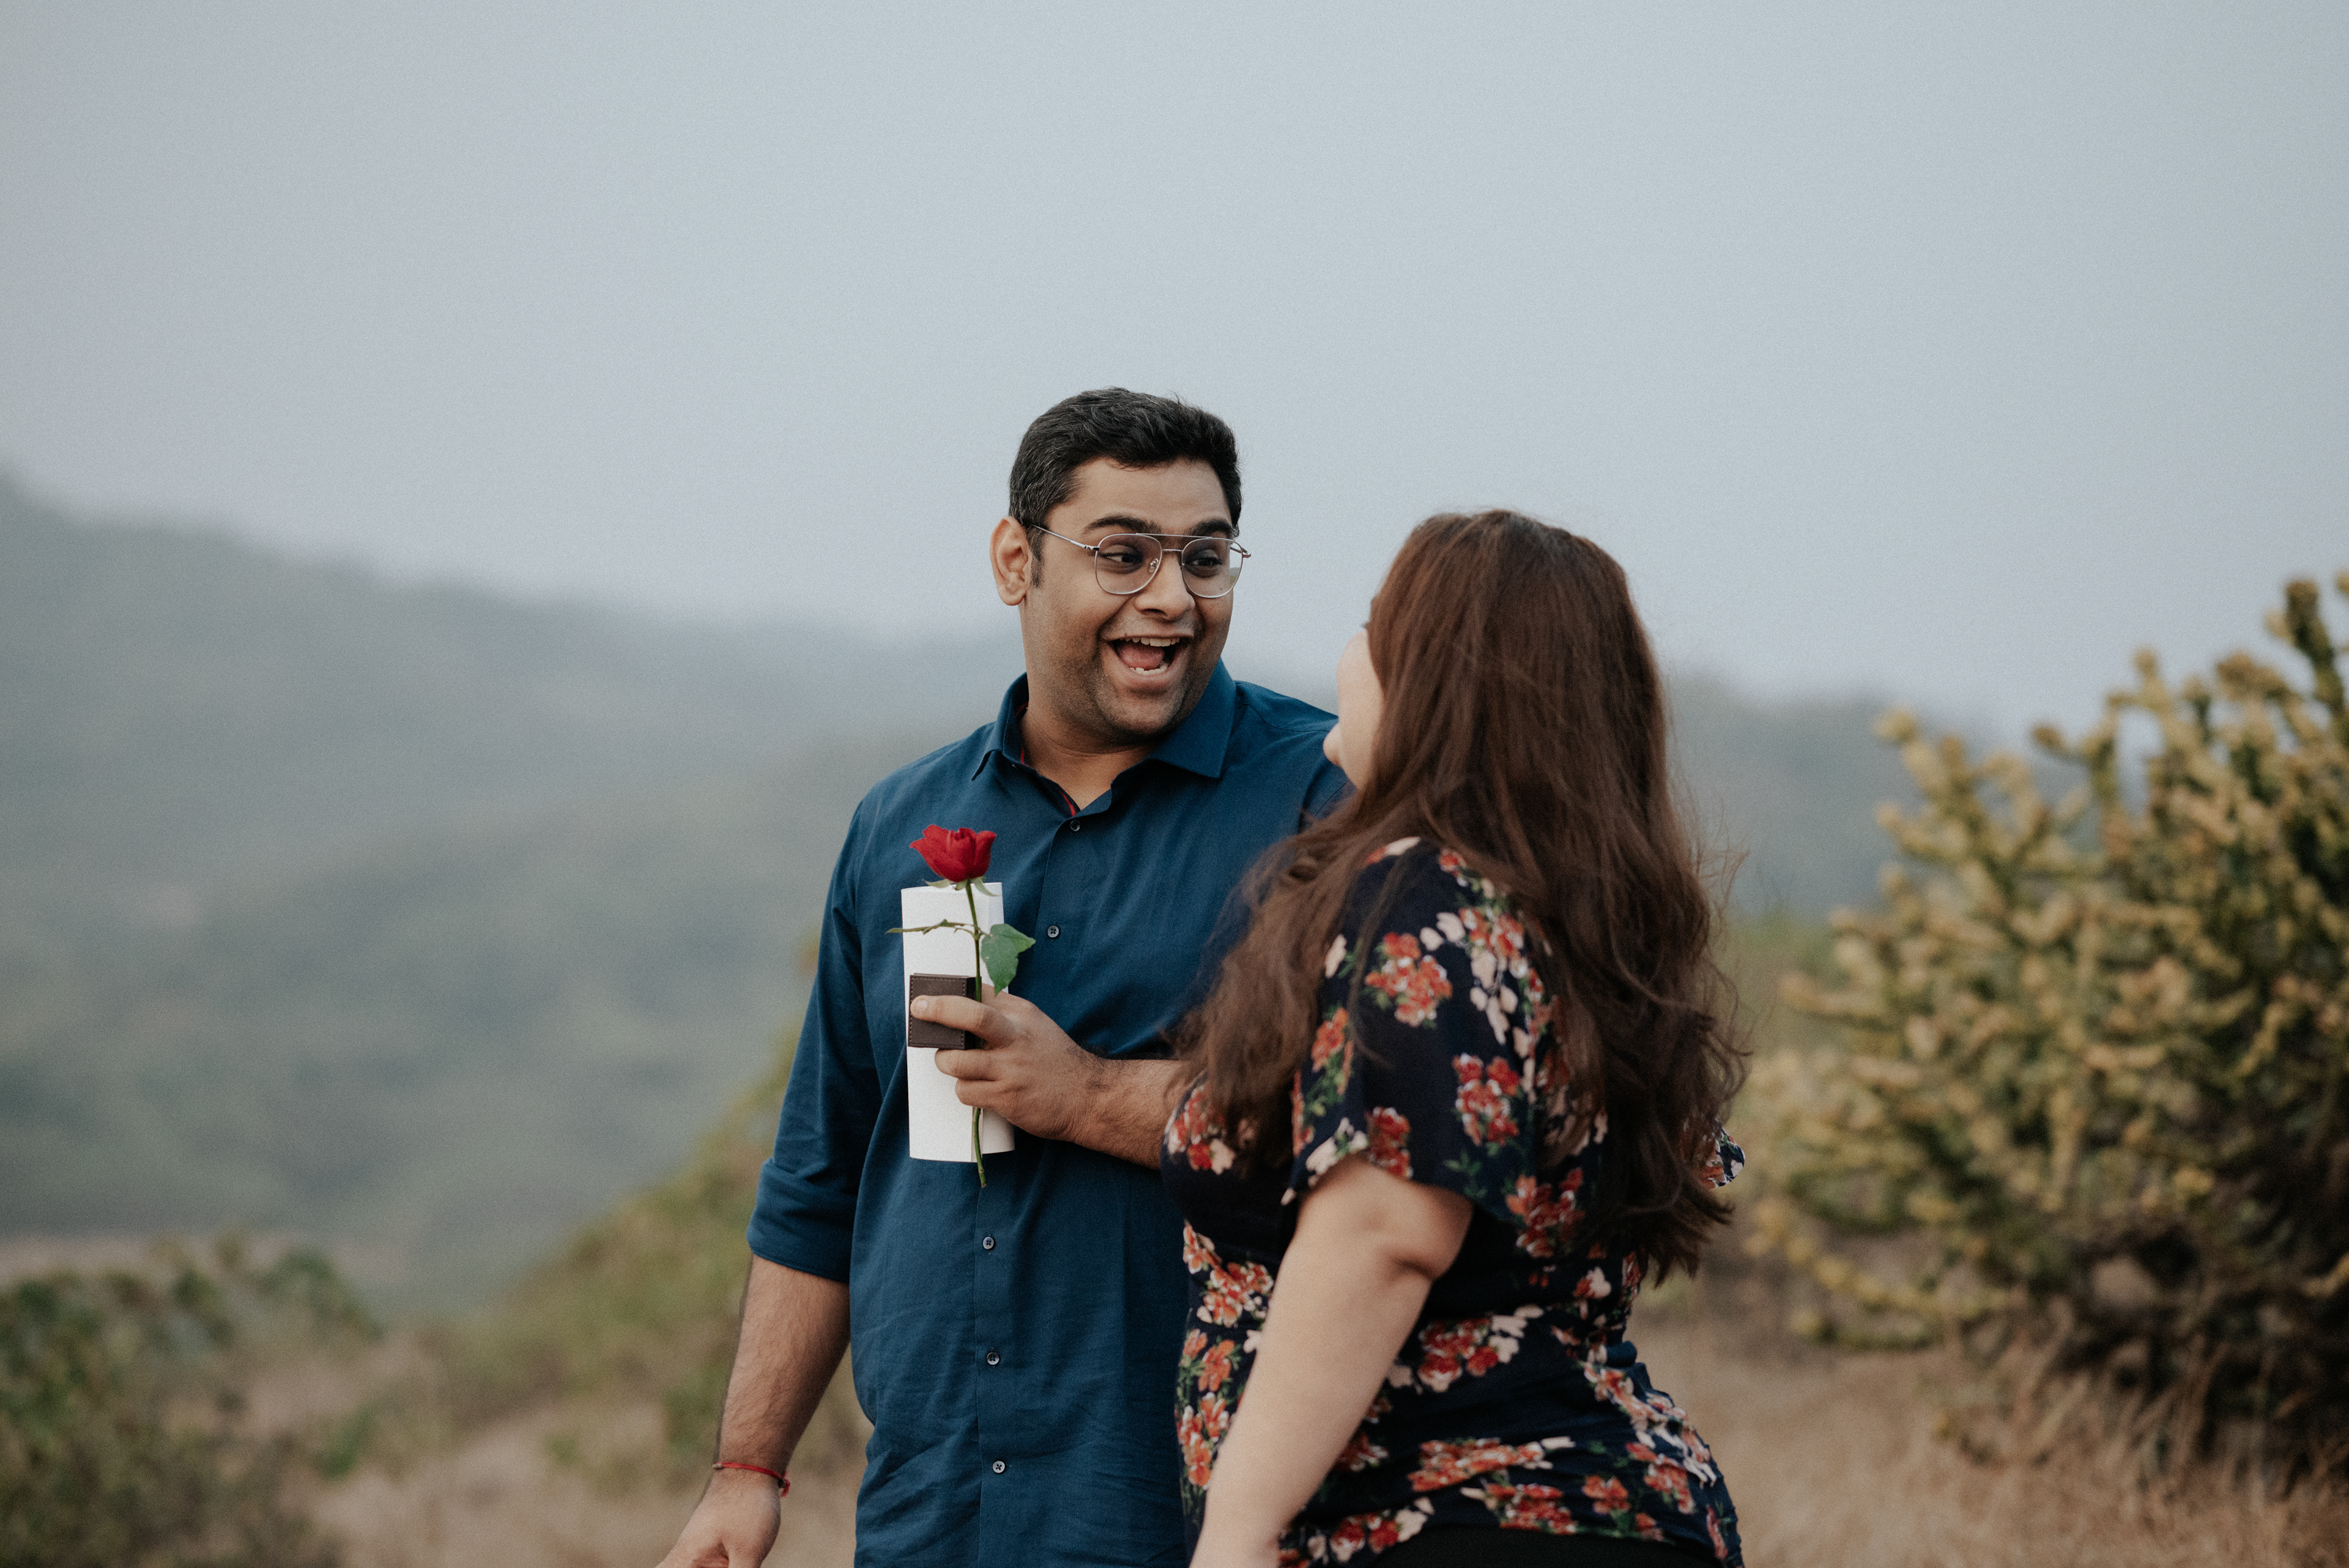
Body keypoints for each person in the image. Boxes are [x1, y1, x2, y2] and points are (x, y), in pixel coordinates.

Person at [656, 388, 1348, 1568]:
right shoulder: (898, 825)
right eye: (1124, 554)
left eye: (1205, 557)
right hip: (935, 1515)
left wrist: (1087, 1095)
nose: (1171, 597)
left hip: (1196, 1516)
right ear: (1016, 562)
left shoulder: (1319, 802)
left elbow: (1372, 1137)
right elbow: (826, 1176)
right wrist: (746, 1471)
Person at [1164, 511, 1748, 1567]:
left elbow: (1385, 1233)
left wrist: (1237, 1537)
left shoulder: (1423, 898)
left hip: (1454, 1517)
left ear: (1430, 680)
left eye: (1372, 627)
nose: (1348, 655)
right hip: (1606, 1509)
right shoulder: (1570, 921)